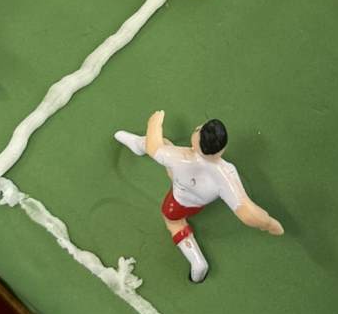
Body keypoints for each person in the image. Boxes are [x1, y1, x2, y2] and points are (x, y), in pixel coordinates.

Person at [114, 113, 283, 282]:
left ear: (197, 142)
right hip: (198, 203)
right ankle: (137, 145)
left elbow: (154, 147)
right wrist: (269, 224)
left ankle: (197, 260)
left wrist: (154, 124)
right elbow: (246, 211)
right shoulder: (227, 173)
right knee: (166, 145)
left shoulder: (181, 157)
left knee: (173, 222)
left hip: (177, 201)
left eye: (198, 130)